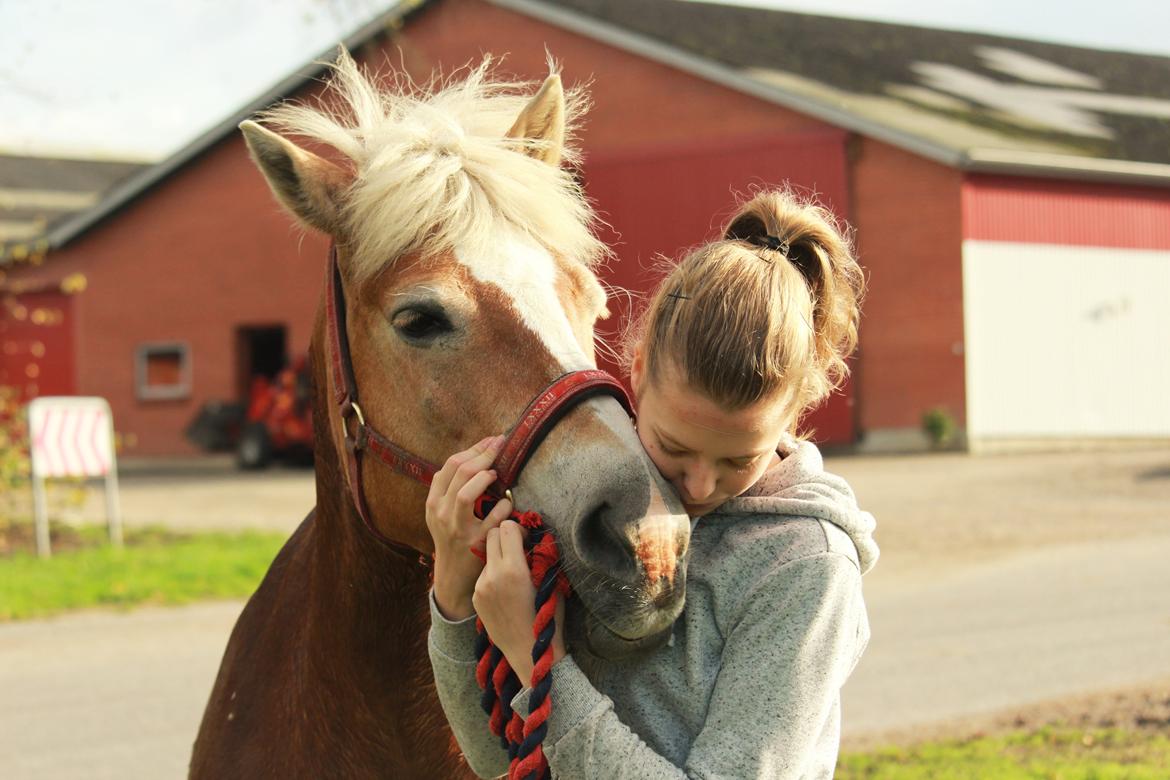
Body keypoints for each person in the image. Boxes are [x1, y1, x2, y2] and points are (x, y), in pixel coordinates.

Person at [425, 188, 879, 779]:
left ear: (797, 409)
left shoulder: (805, 569)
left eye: (737, 460)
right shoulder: (606, 509)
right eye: (674, 446)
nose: (697, 484)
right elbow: (500, 763)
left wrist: (546, 664)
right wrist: (455, 598)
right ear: (635, 369)